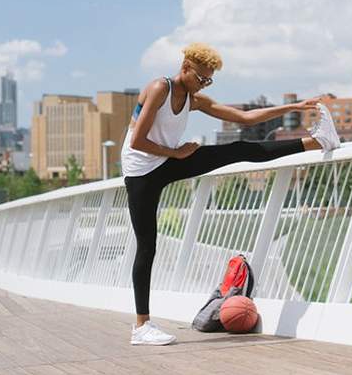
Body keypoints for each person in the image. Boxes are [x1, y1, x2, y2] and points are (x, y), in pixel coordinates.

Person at [122, 42, 340, 345]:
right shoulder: (161, 87)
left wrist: (294, 107)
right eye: (201, 78)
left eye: (208, 80)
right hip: (141, 171)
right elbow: (137, 141)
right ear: (185, 67)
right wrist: (177, 153)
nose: (203, 84)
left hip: (170, 159)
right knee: (147, 246)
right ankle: (141, 327)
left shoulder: (194, 99)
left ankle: (317, 141)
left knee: (239, 149)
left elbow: (245, 118)